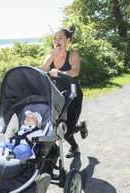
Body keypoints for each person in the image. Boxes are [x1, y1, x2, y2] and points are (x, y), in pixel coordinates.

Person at [40, 27, 88, 158]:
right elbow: (42, 70)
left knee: (69, 127)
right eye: (55, 38)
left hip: (73, 94)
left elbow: (75, 71)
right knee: (59, 127)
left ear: (68, 40)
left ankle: (80, 126)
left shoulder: (73, 54)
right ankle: (74, 147)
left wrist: (61, 73)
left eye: (60, 38)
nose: (57, 41)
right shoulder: (50, 56)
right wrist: (52, 56)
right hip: (57, 95)